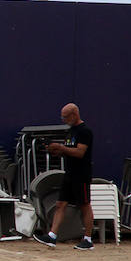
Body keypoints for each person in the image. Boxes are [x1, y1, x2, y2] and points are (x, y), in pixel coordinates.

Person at [32, 103, 96, 251]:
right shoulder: (71, 131)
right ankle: (52, 236)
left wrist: (62, 148)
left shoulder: (85, 131)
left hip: (81, 174)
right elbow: (69, 150)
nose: (64, 120)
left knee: (84, 205)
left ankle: (88, 239)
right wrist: (56, 151)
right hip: (69, 173)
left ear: (75, 114)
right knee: (60, 204)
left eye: (66, 117)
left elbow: (80, 152)